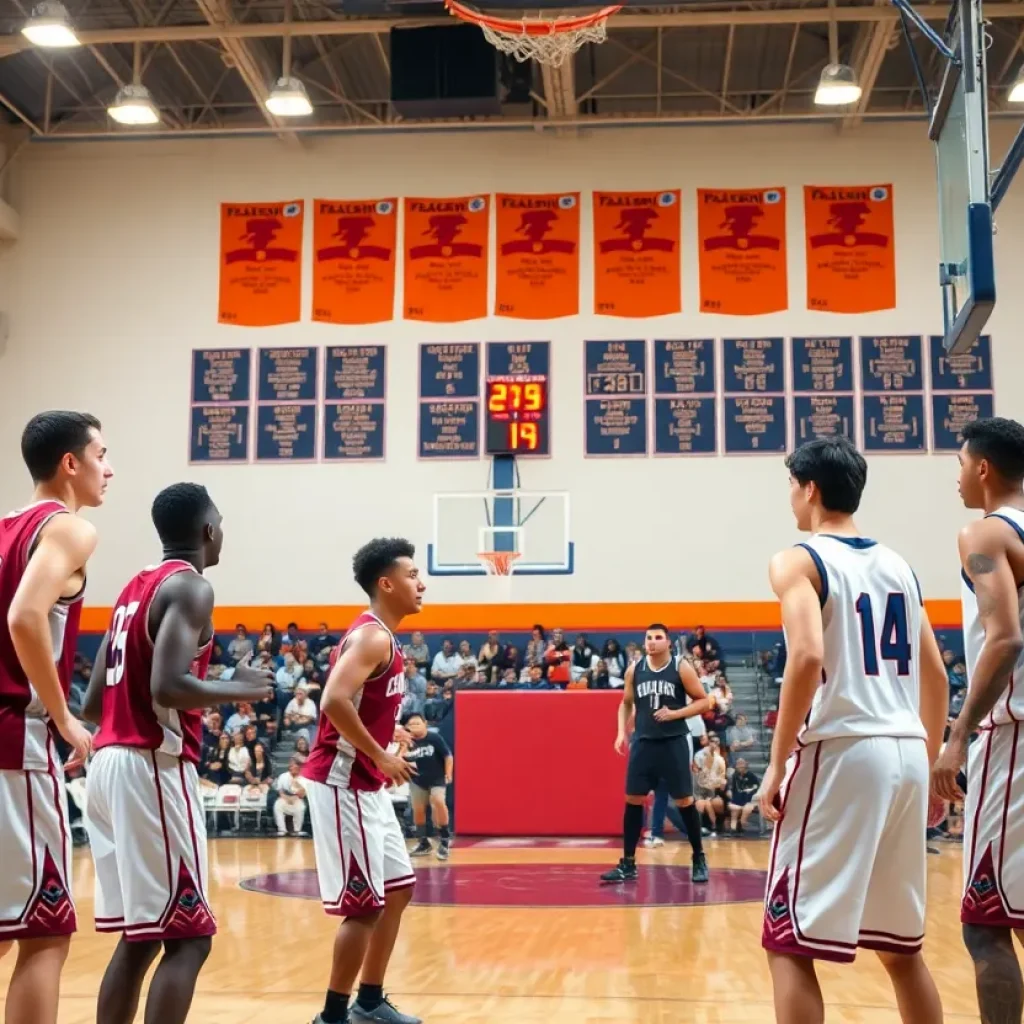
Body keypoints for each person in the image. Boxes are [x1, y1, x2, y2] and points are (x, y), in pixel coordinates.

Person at [756, 436, 948, 1024]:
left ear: (810, 489)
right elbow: (936, 677)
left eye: (791, 485)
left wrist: (776, 761)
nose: (790, 497)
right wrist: (932, 761)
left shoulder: (797, 559)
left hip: (842, 750)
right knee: (900, 950)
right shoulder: (900, 566)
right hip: (908, 753)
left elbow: (808, 656)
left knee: (786, 942)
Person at [80, 482, 274, 1024]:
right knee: (191, 940)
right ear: (209, 530)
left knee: (142, 940)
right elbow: (167, 687)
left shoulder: (133, 590)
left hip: (110, 762)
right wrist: (240, 687)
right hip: (152, 767)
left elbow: (94, 702)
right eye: (222, 525)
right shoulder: (192, 588)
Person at [0, 410, 112, 1024]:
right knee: (45, 933)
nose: (109, 467)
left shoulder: (4, 527)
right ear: (70, 463)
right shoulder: (68, 528)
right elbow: (23, 617)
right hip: (17, 746)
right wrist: (66, 717)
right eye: (101, 454)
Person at [304, 537, 424, 1024]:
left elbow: (356, 702)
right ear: (386, 583)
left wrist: (385, 728)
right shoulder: (373, 635)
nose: (422, 583)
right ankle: (332, 1017)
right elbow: (333, 700)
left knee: (397, 890)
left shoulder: (382, 638)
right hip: (342, 782)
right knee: (363, 907)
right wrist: (379, 751)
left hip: (366, 784)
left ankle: (370, 1001)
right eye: (413, 575)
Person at [932, 417, 1024, 1023]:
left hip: (1013, 735)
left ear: (983, 467)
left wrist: (957, 736)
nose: (958, 476)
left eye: (961, 463)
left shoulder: (984, 532)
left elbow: (1005, 638)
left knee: (985, 923)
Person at [601, 624, 712, 885]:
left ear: (668, 643)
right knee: (633, 799)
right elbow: (625, 703)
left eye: (658, 637)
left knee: (685, 801)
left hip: (673, 741)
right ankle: (628, 863)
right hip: (643, 741)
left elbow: (704, 701)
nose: (652, 641)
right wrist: (621, 732)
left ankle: (698, 857)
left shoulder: (680, 666)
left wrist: (675, 713)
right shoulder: (634, 670)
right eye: (648, 637)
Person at [403, 712, 453, 860]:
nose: (415, 727)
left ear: (425, 724)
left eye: (417, 723)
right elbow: (401, 757)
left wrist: (448, 773)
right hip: (418, 780)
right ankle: (423, 842)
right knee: (418, 810)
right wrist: (404, 745)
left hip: (437, 778)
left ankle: (444, 839)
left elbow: (447, 755)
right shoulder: (407, 741)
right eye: (411, 725)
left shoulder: (434, 738)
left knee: (438, 801)